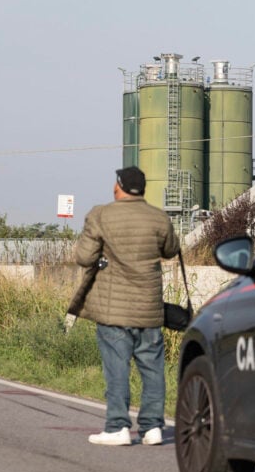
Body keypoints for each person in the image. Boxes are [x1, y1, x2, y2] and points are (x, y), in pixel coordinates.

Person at [69, 166, 180, 447]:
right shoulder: (159, 217)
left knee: (116, 367)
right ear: (142, 190)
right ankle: (153, 427)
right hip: (149, 308)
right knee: (152, 368)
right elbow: (171, 249)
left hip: (112, 308)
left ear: (118, 187)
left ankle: (117, 426)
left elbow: (84, 257)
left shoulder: (101, 214)